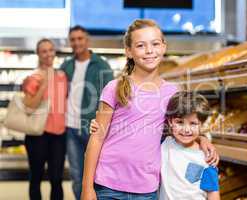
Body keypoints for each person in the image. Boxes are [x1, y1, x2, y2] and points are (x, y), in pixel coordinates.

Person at [81, 19, 219, 200]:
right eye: (140, 45)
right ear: (129, 51)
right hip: (108, 185)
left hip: (147, 189)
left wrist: (201, 140)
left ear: (163, 47)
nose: (149, 51)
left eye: (155, 44)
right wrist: (86, 187)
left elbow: (176, 129)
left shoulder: (173, 92)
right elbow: (97, 138)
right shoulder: (114, 88)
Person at [60, 25, 113, 200]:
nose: (76, 43)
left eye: (80, 38)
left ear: (87, 40)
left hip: (93, 129)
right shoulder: (66, 66)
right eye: (73, 39)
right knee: (76, 176)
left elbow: (110, 99)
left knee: (95, 176)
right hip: (70, 128)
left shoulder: (101, 65)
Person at [23, 38, 68, 200]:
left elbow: (64, 102)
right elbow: (28, 106)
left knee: (57, 179)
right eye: (44, 51)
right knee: (36, 177)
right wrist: (44, 84)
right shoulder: (33, 77)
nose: (48, 54)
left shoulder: (62, 76)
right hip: (37, 135)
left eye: (51, 50)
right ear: (38, 54)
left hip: (59, 135)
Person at [160, 91, 220, 200]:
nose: (186, 130)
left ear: (201, 125)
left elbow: (212, 193)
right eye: (180, 122)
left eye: (193, 123)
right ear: (170, 122)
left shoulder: (206, 157)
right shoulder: (165, 144)